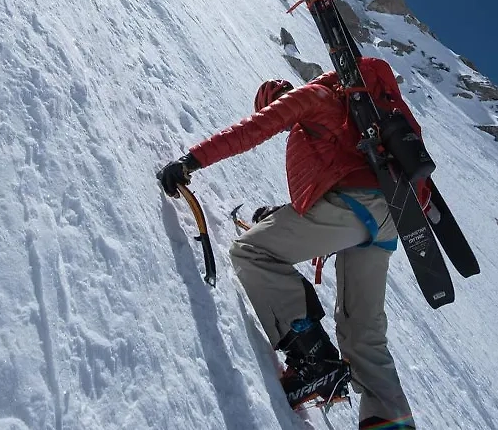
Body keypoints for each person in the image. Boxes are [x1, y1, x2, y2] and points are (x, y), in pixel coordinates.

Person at [157, 59, 418, 429]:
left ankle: (314, 360)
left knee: (252, 251)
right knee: (363, 333)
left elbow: (252, 130)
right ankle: (391, 421)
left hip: (355, 206)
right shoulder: (336, 116)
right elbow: (333, 178)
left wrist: (191, 160)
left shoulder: (308, 97)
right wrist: (282, 215)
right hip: (386, 216)